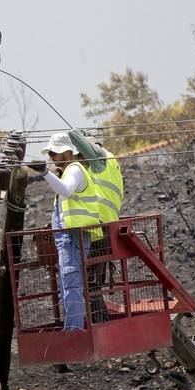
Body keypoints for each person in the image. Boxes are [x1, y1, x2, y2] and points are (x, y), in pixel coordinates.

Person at [27, 133, 100, 331]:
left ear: (67, 152)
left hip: (73, 237)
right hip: (68, 237)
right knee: (69, 285)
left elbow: (66, 191)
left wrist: (45, 173)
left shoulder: (75, 170)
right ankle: (73, 327)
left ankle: (74, 330)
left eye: (54, 152)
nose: (51, 155)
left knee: (71, 285)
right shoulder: (70, 171)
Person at [68, 129, 124, 323]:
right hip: (105, 227)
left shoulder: (100, 159)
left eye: (80, 156)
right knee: (92, 281)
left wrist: (75, 133)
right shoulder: (109, 165)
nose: (80, 161)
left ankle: (100, 322)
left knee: (89, 282)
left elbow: (74, 136)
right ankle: (99, 320)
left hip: (100, 228)